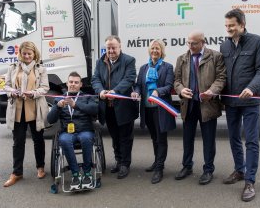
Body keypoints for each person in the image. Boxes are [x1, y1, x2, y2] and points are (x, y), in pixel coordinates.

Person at [220, 9, 260, 202]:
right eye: (226, 26)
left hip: (250, 101)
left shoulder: (257, 42)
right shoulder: (224, 45)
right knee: (233, 137)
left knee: (251, 141)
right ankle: (239, 171)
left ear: (242, 24)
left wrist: (251, 87)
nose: (229, 29)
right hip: (231, 102)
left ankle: (250, 181)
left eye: (232, 25)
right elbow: (222, 73)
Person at [174, 30, 226, 185]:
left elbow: (221, 78)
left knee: (208, 140)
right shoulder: (182, 59)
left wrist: (213, 91)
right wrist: (181, 90)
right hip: (189, 105)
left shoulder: (215, 56)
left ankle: (208, 169)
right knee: (187, 139)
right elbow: (176, 80)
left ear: (203, 42)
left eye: (194, 43)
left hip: (208, 105)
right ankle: (187, 166)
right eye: (188, 42)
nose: (190, 46)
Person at [92, 35, 138, 179]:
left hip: (123, 107)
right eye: (108, 48)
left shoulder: (129, 60)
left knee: (125, 136)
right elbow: (96, 79)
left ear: (120, 47)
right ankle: (118, 161)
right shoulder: (100, 62)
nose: (111, 50)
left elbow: (129, 78)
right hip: (107, 107)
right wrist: (101, 91)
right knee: (114, 136)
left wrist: (115, 91)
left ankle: (125, 164)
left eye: (114, 47)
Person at [4, 41, 49, 187]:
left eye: (29, 53)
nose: (27, 56)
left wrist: (33, 93)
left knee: (38, 140)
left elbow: (45, 88)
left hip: (35, 108)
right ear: (20, 54)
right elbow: (7, 86)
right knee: (18, 142)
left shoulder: (40, 68)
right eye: (24, 53)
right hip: (17, 110)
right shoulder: (13, 67)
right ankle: (17, 173)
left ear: (34, 53)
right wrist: (13, 92)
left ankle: (40, 167)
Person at [131, 39, 176, 184]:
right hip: (147, 108)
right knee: (154, 137)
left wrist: (157, 91)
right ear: (149, 51)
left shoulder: (167, 67)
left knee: (161, 139)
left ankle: (159, 169)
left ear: (162, 51)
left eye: (157, 48)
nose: (155, 51)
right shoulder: (144, 68)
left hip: (160, 108)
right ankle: (157, 161)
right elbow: (138, 85)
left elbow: (169, 86)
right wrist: (136, 92)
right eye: (152, 48)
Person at [47, 71, 99, 190]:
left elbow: (94, 110)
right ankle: (75, 174)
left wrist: (76, 105)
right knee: (64, 140)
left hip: (85, 130)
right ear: (67, 83)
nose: (73, 84)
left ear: (81, 84)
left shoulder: (87, 97)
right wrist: (57, 107)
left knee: (86, 138)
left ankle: (87, 172)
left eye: (76, 82)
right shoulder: (59, 99)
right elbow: (50, 120)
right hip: (67, 132)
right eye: (71, 82)